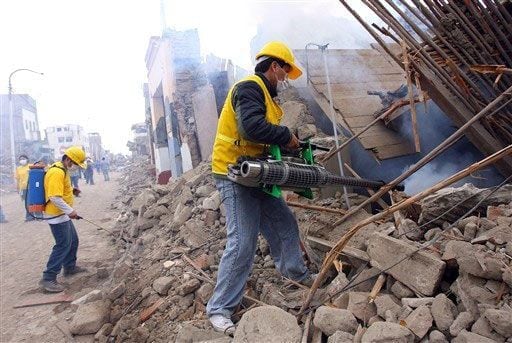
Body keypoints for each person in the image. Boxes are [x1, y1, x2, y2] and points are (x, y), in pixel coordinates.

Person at [207, 41, 314, 333]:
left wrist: (291, 146)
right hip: (233, 172)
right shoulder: (250, 88)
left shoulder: (267, 97)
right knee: (243, 242)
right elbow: (250, 128)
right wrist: (285, 135)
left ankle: (295, 276)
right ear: (274, 66)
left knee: (284, 223)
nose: (285, 79)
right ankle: (219, 309)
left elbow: (262, 139)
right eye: (284, 72)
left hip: (255, 172)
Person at [39, 146, 88, 292]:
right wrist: (71, 211)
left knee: (73, 240)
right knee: (63, 245)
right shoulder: (56, 172)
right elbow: (54, 196)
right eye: (74, 164)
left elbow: (59, 189)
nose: (75, 167)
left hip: (62, 214)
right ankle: (48, 278)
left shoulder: (62, 170)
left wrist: (72, 190)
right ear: (68, 159)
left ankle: (69, 267)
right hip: (56, 214)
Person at [14, 154, 34, 221]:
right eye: (20, 159)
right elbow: (17, 179)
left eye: (23, 158)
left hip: (31, 187)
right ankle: (31, 215)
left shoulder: (31, 166)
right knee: (26, 202)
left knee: (29, 202)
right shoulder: (18, 169)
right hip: (23, 188)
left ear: (27, 159)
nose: (22, 160)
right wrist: (17, 188)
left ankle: (29, 217)